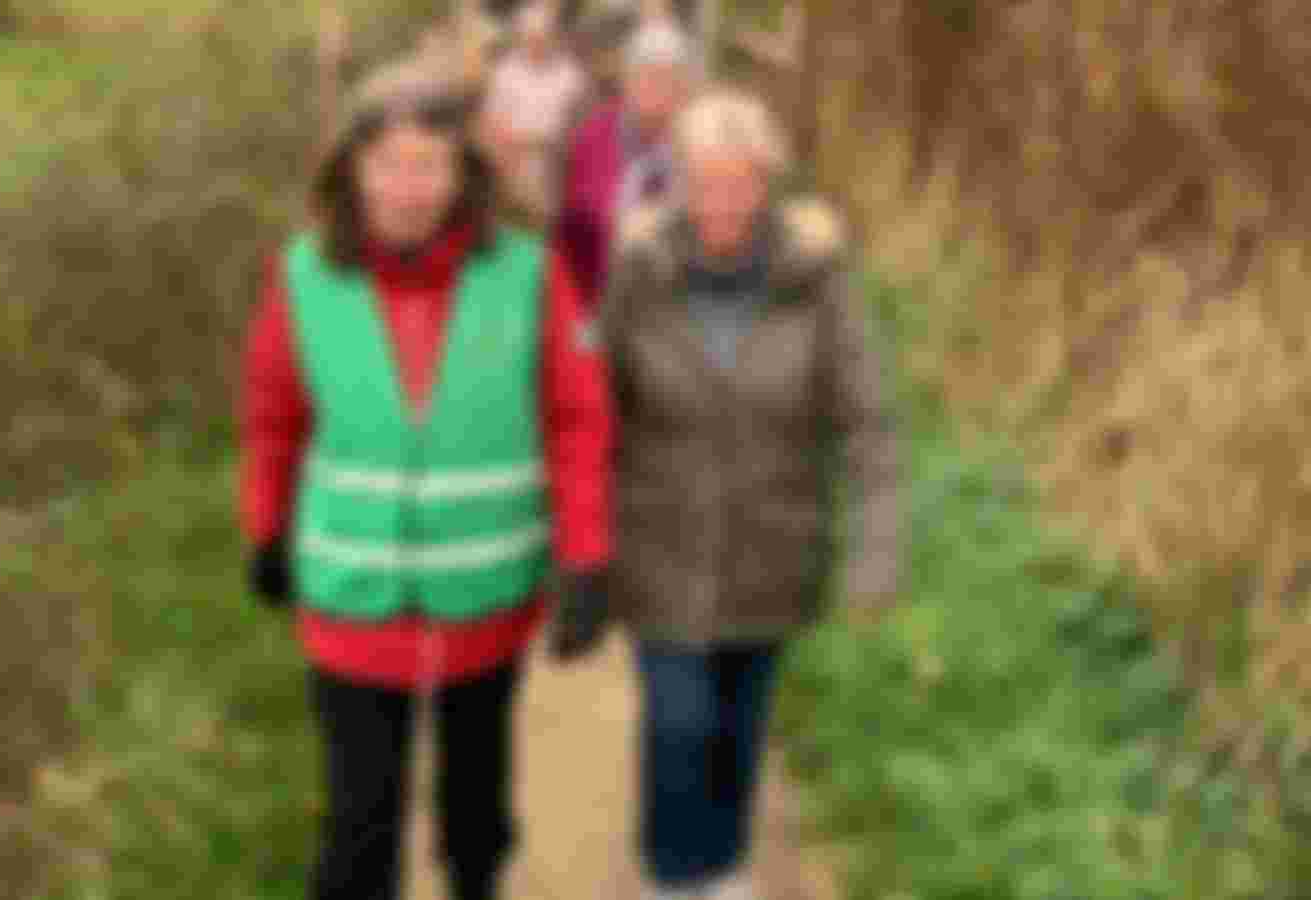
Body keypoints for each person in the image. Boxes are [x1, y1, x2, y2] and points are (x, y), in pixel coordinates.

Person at [239, 59, 614, 900]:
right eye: (388, 166)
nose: (408, 189)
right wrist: (265, 527)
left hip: (484, 598)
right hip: (352, 596)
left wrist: (586, 556)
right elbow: (272, 416)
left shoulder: (529, 275)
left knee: (475, 811)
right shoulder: (303, 276)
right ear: (352, 170)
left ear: (463, 173)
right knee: (358, 827)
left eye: (430, 166)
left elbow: (578, 420)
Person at [599, 87, 901, 900]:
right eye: (704, 182)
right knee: (678, 723)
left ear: (767, 184)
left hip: (774, 548)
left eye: (740, 182)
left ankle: (726, 867)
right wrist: (579, 544)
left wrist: (875, 549)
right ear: (678, 184)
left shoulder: (817, 282)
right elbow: (591, 409)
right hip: (660, 544)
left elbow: (867, 421)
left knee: (736, 725)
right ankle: (673, 875)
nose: (722, 202)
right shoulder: (640, 273)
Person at [552, 18, 700, 304]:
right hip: (598, 294)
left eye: (669, 79)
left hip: (679, 303)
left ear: (685, 89)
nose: (657, 88)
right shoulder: (592, 135)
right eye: (646, 76)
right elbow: (571, 225)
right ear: (626, 81)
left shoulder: (699, 141)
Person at [481, 1, 588, 225]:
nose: (537, 45)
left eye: (542, 38)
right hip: (516, 158)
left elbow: (581, 120)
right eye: (531, 39)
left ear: (553, 38)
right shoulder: (505, 72)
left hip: (558, 158)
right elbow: (493, 119)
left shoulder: (571, 73)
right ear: (521, 38)